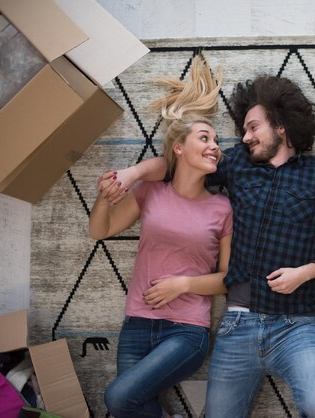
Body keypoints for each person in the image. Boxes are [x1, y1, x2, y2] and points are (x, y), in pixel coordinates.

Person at [104, 75, 315, 418]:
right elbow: (177, 165)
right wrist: (133, 174)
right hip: (239, 324)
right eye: (244, 129)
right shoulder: (237, 163)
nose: (245, 136)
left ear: (281, 127)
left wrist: (306, 272)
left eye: (253, 128)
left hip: (298, 324)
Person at [90, 57, 232, 418]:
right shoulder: (151, 192)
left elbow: (228, 281)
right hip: (137, 323)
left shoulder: (222, 208)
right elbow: (99, 230)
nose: (214, 145)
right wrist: (104, 195)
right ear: (179, 149)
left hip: (187, 332)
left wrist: (182, 285)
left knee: (119, 398)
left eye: (216, 141)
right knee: (133, 407)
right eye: (205, 138)